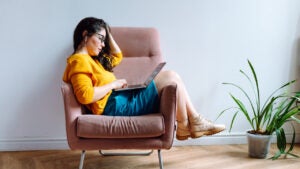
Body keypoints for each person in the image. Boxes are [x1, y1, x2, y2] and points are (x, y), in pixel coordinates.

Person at [63, 17, 225, 140]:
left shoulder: (92, 60)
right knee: (172, 77)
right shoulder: (79, 61)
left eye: (104, 40)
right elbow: (85, 96)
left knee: (172, 77)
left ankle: (187, 124)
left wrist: (106, 31)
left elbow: (117, 56)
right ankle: (190, 123)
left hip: (119, 100)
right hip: (114, 107)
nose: (103, 44)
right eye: (100, 38)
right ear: (85, 35)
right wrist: (114, 84)